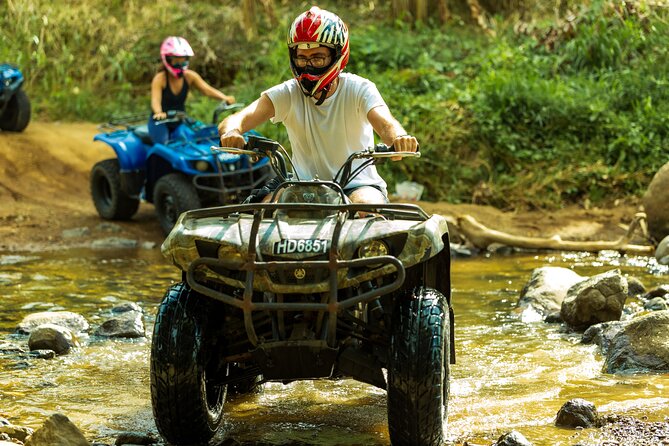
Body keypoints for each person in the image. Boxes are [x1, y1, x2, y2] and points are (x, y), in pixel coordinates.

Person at [218, 6, 418, 204]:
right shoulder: (288, 92)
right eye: (302, 58)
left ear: (338, 55)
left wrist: (399, 139)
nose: (308, 66)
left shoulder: (359, 89)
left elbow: (386, 124)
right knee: (264, 213)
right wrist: (231, 132)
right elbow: (237, 118)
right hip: (300, 185)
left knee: (367, 207)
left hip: (357, 185)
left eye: (318, 58)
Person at [149, 36, 236, 145]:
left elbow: (207, 90)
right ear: (167, 59)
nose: (179, 62)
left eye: (183, 59)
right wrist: (159, 113)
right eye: (175, 59)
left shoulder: (190, 76)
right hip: (160, 122)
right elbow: (155, 100)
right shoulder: (160, 78)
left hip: (180, 120)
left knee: (195, 139)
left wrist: (224, 97)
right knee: (163, 147)